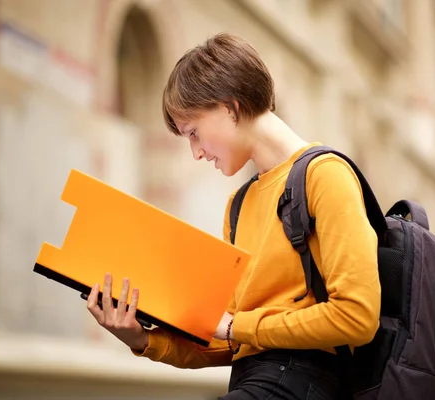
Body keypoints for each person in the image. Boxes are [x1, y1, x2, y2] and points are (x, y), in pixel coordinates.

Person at [86, 32, 381, 400]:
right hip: (254, 382)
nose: (196, 152)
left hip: (309, 384)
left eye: (194, 132)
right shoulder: (238, 206)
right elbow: (231, 338)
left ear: (230, 106)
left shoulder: (326, 175)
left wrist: (238, 326)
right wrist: (142, 338)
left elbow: (357, 316)